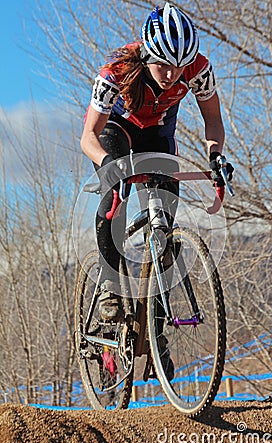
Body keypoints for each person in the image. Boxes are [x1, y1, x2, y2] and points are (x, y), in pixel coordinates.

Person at [81, 3, 232, 322]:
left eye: (179, 67)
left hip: (158, 135)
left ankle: (155, 324)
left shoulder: (198, 70)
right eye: (164, 65)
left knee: (165, 225)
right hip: (116, 130)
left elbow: (214, 120)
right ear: (148, 55)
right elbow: (88, 137)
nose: (171, 75)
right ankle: (110, 285)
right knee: (115, 195)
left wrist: (216, 157)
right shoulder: (116, 71)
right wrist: (110, 164)